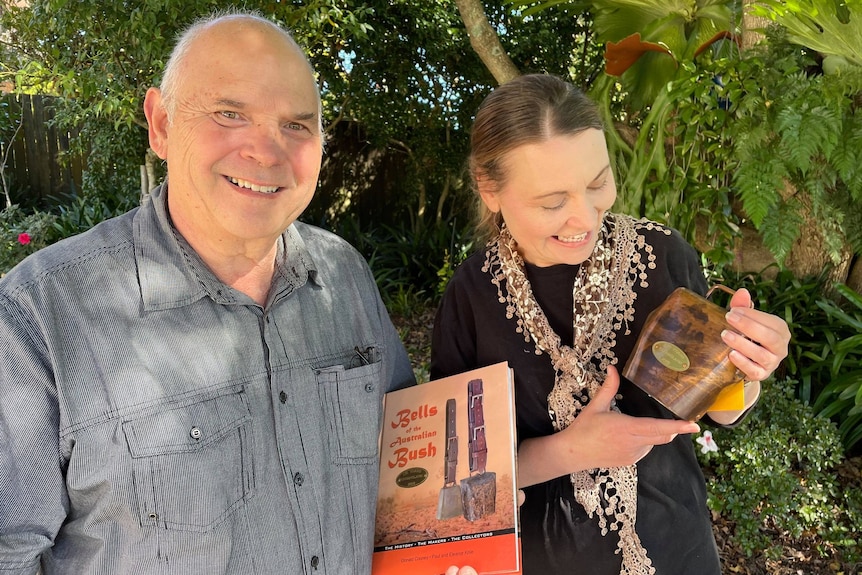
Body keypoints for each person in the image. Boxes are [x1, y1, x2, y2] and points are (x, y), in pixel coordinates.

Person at [0, 11, 477, 575]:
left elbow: (403, 467)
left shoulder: (343, 277)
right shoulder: (41, 315)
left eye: (297, 126)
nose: (267, 151)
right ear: (161, 125)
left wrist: (464, 531)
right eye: (230, 114)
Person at [431, 74, 791, 575]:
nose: (585, 217)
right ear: (489, 190)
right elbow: (457, 480)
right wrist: (572, 450)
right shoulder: (469, 297)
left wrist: (748, 367)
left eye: (598, 183)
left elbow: (717, 409)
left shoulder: (666, 256)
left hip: (676, 550)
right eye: (552, 202)